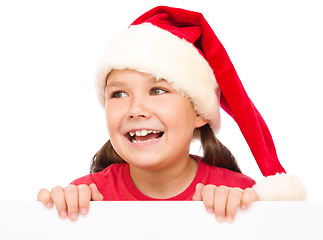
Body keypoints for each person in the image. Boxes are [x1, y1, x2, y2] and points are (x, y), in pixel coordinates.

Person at [37, 6, 307, 222]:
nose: (136, 110)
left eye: (157, 91)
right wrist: (55, 218)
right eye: (119, 94)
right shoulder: (86, 199)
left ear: (199, 111)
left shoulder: (241, 197)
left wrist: (250, 219)